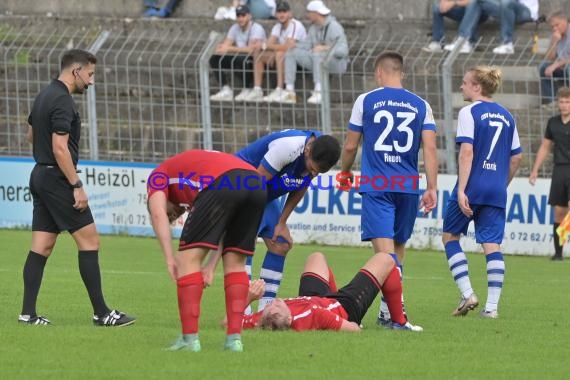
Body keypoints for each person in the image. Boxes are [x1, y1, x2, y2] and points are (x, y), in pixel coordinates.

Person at [21, 49, 135, 327]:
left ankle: (28, 314)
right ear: (76, 71)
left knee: (42, 245)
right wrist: (76, 184)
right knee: (90, 241)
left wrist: (47, 162)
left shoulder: (44, 95)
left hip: (39, 174)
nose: (92, 81)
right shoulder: (62, 100)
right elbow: (60, 148)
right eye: (90, 74)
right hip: (58, 179)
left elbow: (30, 135)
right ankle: (102, 313)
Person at [339, 51, 438, 327]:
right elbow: (429, 148)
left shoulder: (366, 100)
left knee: (384, 256)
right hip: (408, 186)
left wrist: (345, 172)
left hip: (378, 184)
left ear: (378, 73)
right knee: (398, 249)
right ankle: (387, 313)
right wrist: (432, 187)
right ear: (402, 73)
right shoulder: (421, 104)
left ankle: (397, 316)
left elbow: (350, 145)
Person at [147, 149, 266, 352]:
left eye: (171, 215)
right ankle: (234, 340)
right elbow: (225, 229)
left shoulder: (158, 175)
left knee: (186, 260)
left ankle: (189, 340)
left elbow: (157, 214)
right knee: (236, 262)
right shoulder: (193, 175)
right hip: (256, 183)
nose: (173, 216)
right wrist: (210, 266)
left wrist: (169, 258)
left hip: (223, 181)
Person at [442, 65, 522, 319]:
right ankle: (492, 308)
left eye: (465, 83)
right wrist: (501, 183)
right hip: (496, 189)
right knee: (492, 245)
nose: (461, 86)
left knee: (450, 237)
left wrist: (463, 189)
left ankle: (468, 293)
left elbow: (467, 152)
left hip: (472, 186)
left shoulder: (470, 112)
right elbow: (517, 157)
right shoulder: (508, 116)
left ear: (477, 87)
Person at [229, 130, 340, 311]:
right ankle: (243, 308)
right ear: (307, 150)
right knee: (245, 242)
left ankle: (266, 308)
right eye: (312, 169)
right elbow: (254, 184)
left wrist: (281, 223)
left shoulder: (319, 151)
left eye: (317, 172)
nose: (312, 173)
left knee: (280, 243)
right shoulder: (287, 147)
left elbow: (301, 185)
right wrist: (246, 223)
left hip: (263, 194)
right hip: (241, 186)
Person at [241, 251, 422, 331]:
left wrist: (248, 298)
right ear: (289, 318)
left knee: (316, 257)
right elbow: (353, 329)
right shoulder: (315, 314)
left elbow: (228, 322)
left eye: (270, 306)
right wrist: (343, 323)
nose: (275, 302)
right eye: (278, 305)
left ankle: (331, 295)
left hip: (315, 298)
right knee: (387, 259)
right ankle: (400, 323)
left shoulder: (264, 320)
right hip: (344, 306)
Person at [279, 0, 349, 105]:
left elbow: (343, 51)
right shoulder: (313, 28)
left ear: (315, 13)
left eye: (309, 12)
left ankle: (319, 90)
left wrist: (325, 48)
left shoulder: (334, 26)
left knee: (318, 54)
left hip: (336, 63)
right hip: (318, 61)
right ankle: (289, 91)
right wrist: (295, 44)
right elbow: (307, 45)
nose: (307, 15)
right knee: (292, 52)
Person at [529, 86, 570, 261]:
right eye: (561, 101)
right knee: (559, 212)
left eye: (568, 102)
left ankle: (564, 236)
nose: (564, 105)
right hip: (559, 169)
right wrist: (535, 170)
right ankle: (558, 253)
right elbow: (545, 147)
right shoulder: (553, 122)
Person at [238, 1, 307, 102]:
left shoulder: (296, 25)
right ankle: (257, 90)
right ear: (275, 14)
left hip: (301, 59)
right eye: (279, 12)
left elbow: (288, 47)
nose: (281, 14)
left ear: (290, 13)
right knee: (259, 53)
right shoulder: (277, 27)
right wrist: (259, 43)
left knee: (280, 54)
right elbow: (269, 43)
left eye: (284, 11)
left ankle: (279, 89)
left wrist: (265, 45)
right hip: (285, 57)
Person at [209, 4, 266, 102]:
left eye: (243, 15)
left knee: (241, 59)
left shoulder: (256, 28)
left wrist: (230, 48)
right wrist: (219, 47)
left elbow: (251, 50)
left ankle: (247, 89)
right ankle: (225, 89)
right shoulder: (234, 28)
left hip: (255, 60)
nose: (240, 19)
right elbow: (225, 45)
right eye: (238, 16)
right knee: (214, 58)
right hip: (239, 57)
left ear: (249, 16)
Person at [422, 0, 497, 54]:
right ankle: (437, 42)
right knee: (437, 7)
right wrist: (444, 4)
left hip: (480, 11)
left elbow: (475, 2)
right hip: (461, 9)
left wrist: (454, 3)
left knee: (472, 5)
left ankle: (466, 42)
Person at [539, 11, 570, 107]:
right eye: (552, 27)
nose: (555, 28)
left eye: (557, 25)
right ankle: (551, 101)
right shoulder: (556, 35)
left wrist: (556, 65)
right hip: (562, 67)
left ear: (565, 21)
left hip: (566, 66)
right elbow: (550, 58)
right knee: (543, 67)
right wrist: (554, 42)